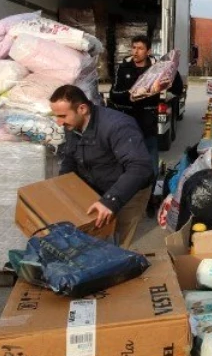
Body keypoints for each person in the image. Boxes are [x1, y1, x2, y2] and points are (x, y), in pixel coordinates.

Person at [49, 84, 154, 232]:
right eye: (56, 116)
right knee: (97, 239)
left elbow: (140, 167)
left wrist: (111, 201)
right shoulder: (72, 125)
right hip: (99, 186)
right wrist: (61, 185)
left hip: (128, 191)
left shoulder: (117, 126)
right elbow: (70, 157)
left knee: (119, 240)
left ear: (82, 109)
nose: (58, 122)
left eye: (62, 116)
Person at [108, 35, 183, 180]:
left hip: (148, 124)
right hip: (127, 123)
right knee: (127, 164)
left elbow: (177, 90)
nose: (136, 52)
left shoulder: (157, 68)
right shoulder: (123, 68)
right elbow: (114, 95)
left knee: (151, 166)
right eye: (134, 47)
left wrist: (173, 72)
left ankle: (151, 195)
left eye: (140, 48)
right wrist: (131, 95)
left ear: (148, 51)